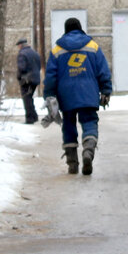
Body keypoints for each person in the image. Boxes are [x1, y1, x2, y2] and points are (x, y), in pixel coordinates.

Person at [43, 17, 112, 175]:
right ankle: (88, 149)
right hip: (88, 93)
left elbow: (51, 77)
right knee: (89, 122)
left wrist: (49, 96)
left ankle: (72, 163)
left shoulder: (57, 50)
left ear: (66, 30)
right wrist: (106, 90)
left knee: (68, 125)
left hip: (66, 95)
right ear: (81, 29)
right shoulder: (92, 46)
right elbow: (103, 70)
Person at [15, 37, 42, 124]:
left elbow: (21, 68)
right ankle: (34, 116)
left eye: (18, 46)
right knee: (29, 97)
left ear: (20, 45)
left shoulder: (22, 54)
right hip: (35, 79)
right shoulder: (35, 53)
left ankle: (30, 118)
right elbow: (39, 66)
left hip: (26, 80)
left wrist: (19, 77)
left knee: (26, 98)